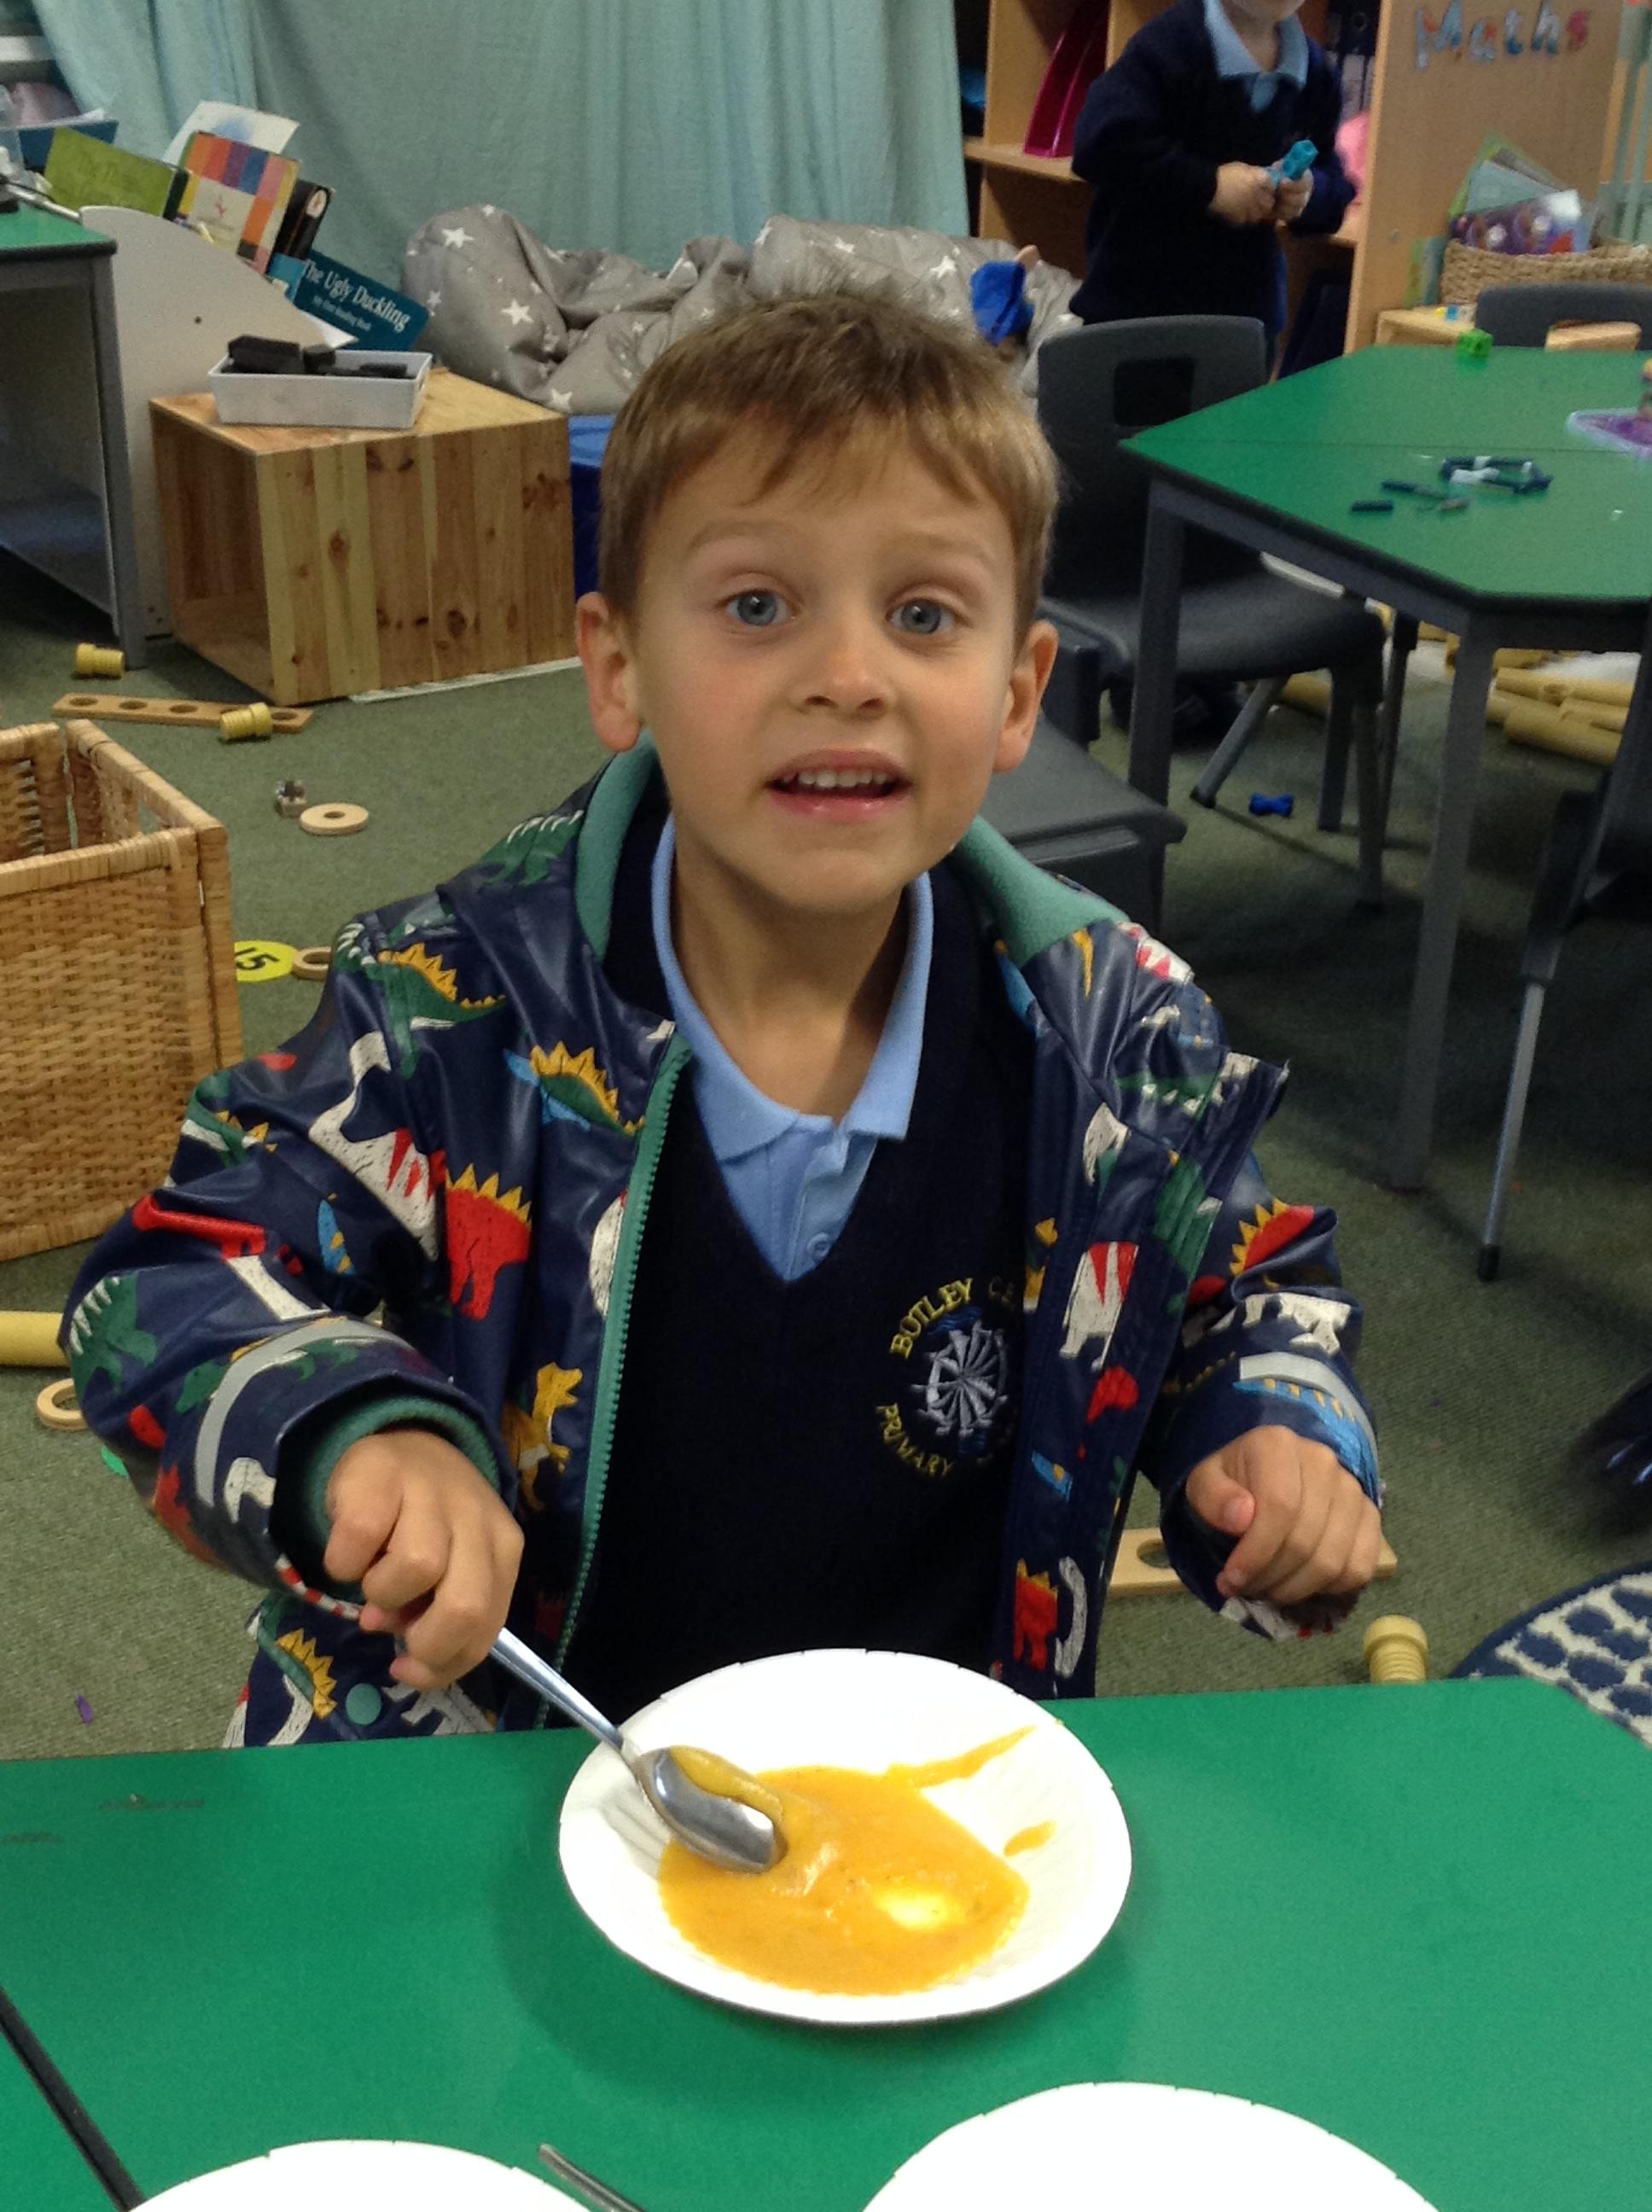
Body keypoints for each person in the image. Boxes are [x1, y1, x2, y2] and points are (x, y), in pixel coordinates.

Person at [66, 293, 1382, 1748]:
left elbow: (1242, 1289)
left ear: (1018, 695)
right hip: (516, 1763)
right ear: (618, 667)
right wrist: (353, 1433)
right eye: (758, 606)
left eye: (924, 615)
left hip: (929, 1786)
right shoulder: (446, 1006)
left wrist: (1275, 1427)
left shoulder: (1121, 1037)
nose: (847, 678)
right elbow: (171, 1279)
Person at [1068, 0, 1355, 351]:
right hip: (1137, 317)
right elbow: (1101, 142)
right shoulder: (1171, 43)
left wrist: (1307, 195)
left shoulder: (1316, 72)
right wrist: (1210, 186)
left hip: (1245, 325)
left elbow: (1334, 187)